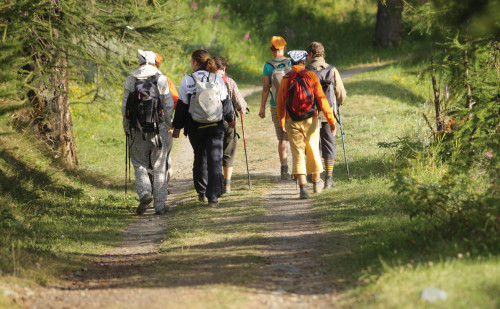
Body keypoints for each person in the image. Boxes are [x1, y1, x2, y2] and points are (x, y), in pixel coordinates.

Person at [171, 50, 235, 207]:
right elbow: (225, 102)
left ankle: (201, 191)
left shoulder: (187, 80)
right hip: (216, 125)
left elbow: (182, 106)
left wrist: (177, 127)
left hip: (195, 126)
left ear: (194, 62)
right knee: (215, 158)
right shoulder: (217, 79)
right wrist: (230, 119)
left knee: (200, 156)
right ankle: (213, 195)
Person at [276, 50, 336, 199]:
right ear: (304, 62)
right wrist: (331, 121)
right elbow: (322, 100)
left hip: (292, 120)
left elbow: (280, 102)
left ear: (291, 63)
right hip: (311, 119)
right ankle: (316, 181)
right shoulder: (311, 75)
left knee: (297, 154)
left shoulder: (286, 78)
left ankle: (303, 187)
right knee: (313, 149)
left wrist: (282, 121)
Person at [122, 49, 175, 215]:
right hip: (158, 129)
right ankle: (160, 205)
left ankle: (145, 193)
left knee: (139, 164)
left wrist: (126, 128)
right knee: (159, 167)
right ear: (154, 63)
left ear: (139, 63)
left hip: (137, 129)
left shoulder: (131, 79)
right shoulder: (161, 78)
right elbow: (168, 105)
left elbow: (125, 108)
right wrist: (167, 125)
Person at [305, 42, 346, 188]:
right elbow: (341, 93)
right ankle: (329, 178)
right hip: (328, 113)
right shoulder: (332, 70)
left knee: (312, 144)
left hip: (310, 114)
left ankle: (313, 175)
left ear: (310, 55)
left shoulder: (305, 71)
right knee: (328, 143)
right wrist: (338, 104)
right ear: (322, 54)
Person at [258, 36, 292, 180]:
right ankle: (300, 168)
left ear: (272, 49)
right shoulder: (292, 62)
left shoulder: (268, 66)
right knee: (297, 136)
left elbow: (266, 88)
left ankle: (284, 170)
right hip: (292, 105)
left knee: (282, 139)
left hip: (275, 106)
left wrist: (262, 108)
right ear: (284, 47)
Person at [213, 56, 248, 194]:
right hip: (229, 122)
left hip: (211, 122)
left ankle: (215, 181)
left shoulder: (207, 81)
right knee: (228, 152)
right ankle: (227, 184)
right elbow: (240, 103)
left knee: (214, 152)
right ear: (224, 68)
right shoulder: (229, 82)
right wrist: (242, 110)